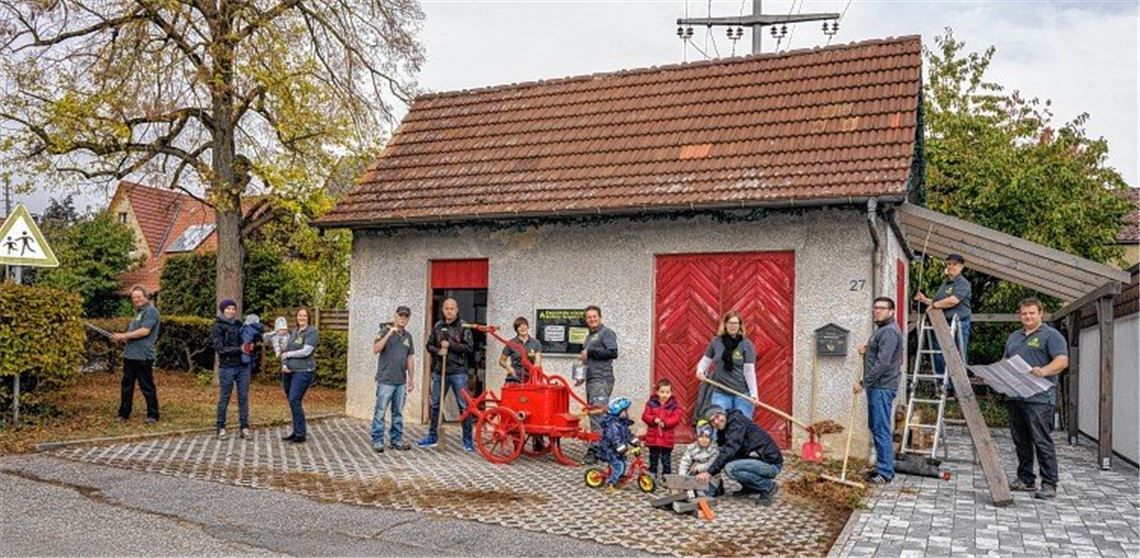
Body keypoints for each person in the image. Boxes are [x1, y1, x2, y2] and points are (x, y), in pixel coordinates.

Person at [1003, 298, 1068, 500]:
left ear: (1041, 313)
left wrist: (1044, 371)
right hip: (1015, 395)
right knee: (1020, 441)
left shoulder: (1051, 335)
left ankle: (1049, 483)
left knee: (1041, 440)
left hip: (1039, 398)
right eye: (1024, 313)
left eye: (1032, 313)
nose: (1028, 317)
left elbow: (1062, 361)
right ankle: (1025, 479)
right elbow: (1006, 361)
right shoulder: (1014, 336)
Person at [855, 297, 903, 484]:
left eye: (882, 308)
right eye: (875, 307)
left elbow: (883, 363)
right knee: (876, 426)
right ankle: (882, 468)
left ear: (891, 311)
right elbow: (882, 352)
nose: (877, 311)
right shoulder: (883, 330)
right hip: (878, 387)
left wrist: (863, 382)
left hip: (882, 387)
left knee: (881, 428)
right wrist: (868, 349)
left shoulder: (889, 331)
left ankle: (885, 473)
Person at [419, 298, 475, 451]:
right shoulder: (438, 326)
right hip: (440, 371)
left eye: (452, 308)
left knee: (464, 405)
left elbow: (469, 348)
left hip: (458, 372)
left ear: (457, 310)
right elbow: (429, 345)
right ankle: (432, 436)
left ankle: (468, 440)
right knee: (436, 404)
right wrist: (439, 351)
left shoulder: (463, 326)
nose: (449, 311)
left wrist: (451, 345)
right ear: (443, 310)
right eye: (446, 308)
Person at [699, 405, 783, 506]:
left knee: (731, 468)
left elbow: (730, 449)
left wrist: (709, 472)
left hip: (771, 464)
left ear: (723, 414)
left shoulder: (737, 423)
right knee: (730, 460)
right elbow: (721, 451)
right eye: (712, 421)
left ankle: (768, 486)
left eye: (717, 416)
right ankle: (751, 487)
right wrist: (702, 461)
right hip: (756, 460)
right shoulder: (724, 427)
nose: (716, 422)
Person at [915, 254, 972, 372]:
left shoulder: (963, 283)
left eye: (955, 264)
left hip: (957, 325)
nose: (951, 266)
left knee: (956, 355)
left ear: (961, 267)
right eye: (949, 264)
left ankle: (956, 383)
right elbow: (939, 302)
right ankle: (941, 381)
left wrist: (934, 306)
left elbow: (953, 301)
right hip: (940, 323)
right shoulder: (945, 283)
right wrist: (925, 300)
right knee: (939, 353)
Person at [112, 285, 160, 423]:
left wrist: (124, 335)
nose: (136, 299)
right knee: (127, 386)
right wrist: (122, 339)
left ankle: (153, 415)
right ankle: (123, 414)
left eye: (139, 297)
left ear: (146, 296)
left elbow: (145, 331)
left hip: (143, 356)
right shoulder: (139, 312)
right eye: (134, 297)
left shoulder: (151, 311)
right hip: (130, 355)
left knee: (146, 386)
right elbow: (133, 334)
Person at [371, 305, 416, 453]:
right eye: (400, 315)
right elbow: (376, 349)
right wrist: (389, 333)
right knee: (380, 412)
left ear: (408, 319)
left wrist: (411, 379)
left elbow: (410, 358)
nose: (403, 318)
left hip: (401, 381)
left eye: (406, 316)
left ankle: (396, 440)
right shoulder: (384, 331)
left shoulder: (408, 336)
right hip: (385, 380)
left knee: (398, 413)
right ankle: (377, 440)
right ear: (395, 316)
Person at [696, 311, 758, 418]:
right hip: (720, 393)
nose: (733, 326)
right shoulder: (716, 342)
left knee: (742, 424)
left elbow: (749, 372)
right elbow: (705, 361)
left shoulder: (746, 345)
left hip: (742, 394)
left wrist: (753, 394)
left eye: (735, 323)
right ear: (725, 324)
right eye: (730, 323)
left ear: (740, 325)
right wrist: (700, 371)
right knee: (719, 424)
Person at [576, 305, 618, 444]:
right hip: (592, 380)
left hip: (602, 378)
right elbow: (589, 359)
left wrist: (590, 352)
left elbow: (613, 352)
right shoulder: (589, 337)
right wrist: (581, 376)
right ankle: (600, 445)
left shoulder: (606, 333)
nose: (592, 319)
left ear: (600, 317)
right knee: (593, 413)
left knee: (597, 414)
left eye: (594, 316)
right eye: (589, 317)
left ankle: (597, 448)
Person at [211, 299, 250, 439]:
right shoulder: (217, 326)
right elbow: (220, 349)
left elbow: (246, 341)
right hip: (227, 367)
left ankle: (244, 427)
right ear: (223, 310)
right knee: (225, 397)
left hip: (243, 367)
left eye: (233, 309)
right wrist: (240, 349)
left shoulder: (239, 324)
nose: (231, 311)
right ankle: (220, 427)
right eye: (228, 309)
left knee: (243, 397)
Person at [280, 307, 319, 444]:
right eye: (299, 315)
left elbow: (306, 351)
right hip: (289, 371)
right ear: (296, 317)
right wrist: (284, 364)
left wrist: (288, 354)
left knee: (294, 399)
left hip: (303, 372)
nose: (301, 318)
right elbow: (285, 349)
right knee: (293, 401)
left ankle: (300, 434)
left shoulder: (312, 332)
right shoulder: (294, 331)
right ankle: (296, 431)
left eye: (304, 315)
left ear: (308, 318)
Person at [641, 379, 683, 480]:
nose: (665, 394)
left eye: (667, 392)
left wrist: (666, 422)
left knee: (666, 458)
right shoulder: (651, 403)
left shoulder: (674, 405)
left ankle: (666, 475)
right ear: (657, 392)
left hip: (666, 436)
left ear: (671, 392)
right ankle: (652, 472)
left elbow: (676, 418)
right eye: (662, 392)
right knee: (653, 456)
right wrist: (653, 419)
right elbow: (645, 416)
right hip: (653, 436)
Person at [597, 396, 636, 493]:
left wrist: (636, 442)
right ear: (618, 411)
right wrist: (623, 450)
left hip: (617, 451)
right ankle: (611, 484)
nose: (627, 413)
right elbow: (615, 441)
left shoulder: (622, 423)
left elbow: (628, 435)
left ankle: (618, 479)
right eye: (625, 410)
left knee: (623, 463)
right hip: (609, 451)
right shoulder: (613, 426)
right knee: (619, 465)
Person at [678, 419, 721, 498]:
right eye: (701, 437)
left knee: (706, 493)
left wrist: (698, 467)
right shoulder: (692, 448)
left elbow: (712, 464)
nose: (704, 439)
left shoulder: (714, 450)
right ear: (697, 437)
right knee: (686, 488)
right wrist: (682, 475)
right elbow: (685, 462)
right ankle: (690, 491)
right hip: (694, 475)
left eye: (707, 437)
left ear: (711, 438)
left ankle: (716, 488)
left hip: (710, 477)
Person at [499, 316, 542, 383]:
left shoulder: (536, 343)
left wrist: (534, 374)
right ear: (516, 330)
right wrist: (508, 368)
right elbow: (501, 361)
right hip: (514, 376)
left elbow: (537, 363)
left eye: (524, 325)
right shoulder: (511, 343)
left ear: (528, 327)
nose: (522, 328)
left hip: (530, 377)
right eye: (519, 326)